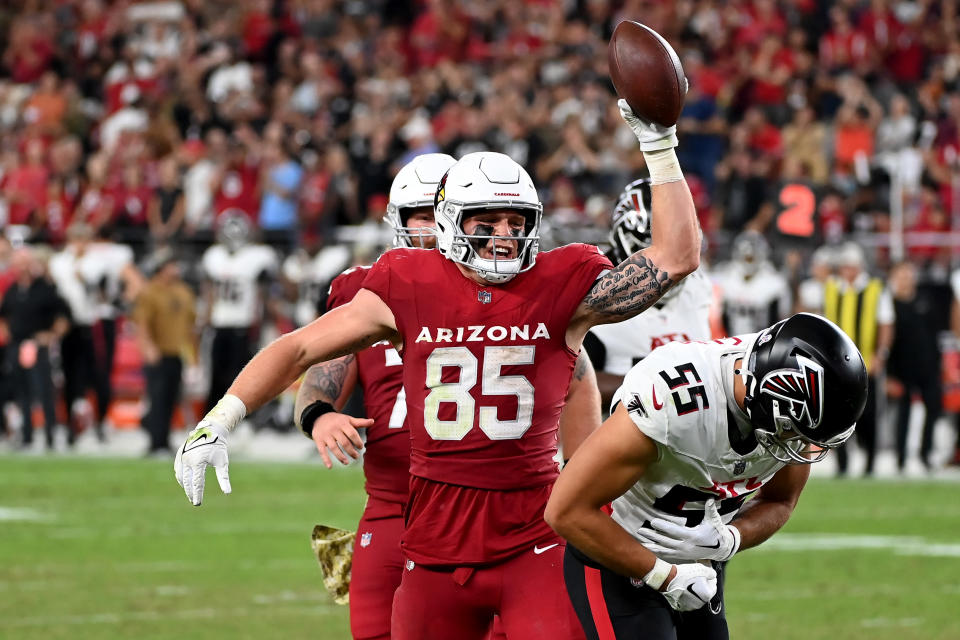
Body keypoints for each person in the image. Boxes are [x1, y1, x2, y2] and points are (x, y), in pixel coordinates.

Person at [175, 100, 701, 640]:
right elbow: (299, 349)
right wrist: (220, 420)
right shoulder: (406, 283)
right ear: (451, 222)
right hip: (429, 542)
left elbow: (676, 257)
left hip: (533, 537)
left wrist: (660, 147)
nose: (503, 236)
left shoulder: (560, 281)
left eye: (516, 222)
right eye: (486, 221)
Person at [295, 153, 600, 640]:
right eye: (419, 216)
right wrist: (317, 416)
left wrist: (585, 484)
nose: (433, 230)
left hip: (507, 512)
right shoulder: (372, 289)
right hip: (396, 506)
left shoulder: (517, 286)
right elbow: (317, 365)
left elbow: (575, 375)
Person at [545, 313, 868, 639]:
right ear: (767, 396)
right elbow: (565, 510)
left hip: (698, 566)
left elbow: (782, 500)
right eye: (795, 431)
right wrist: (663, 576)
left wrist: (730, 540)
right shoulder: (671, 402)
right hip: (615, 553)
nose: (802, 448)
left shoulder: (787, 405)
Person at [584, 178, 712, 407]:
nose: (679, 258)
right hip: (622, 434)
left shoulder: (697, 284)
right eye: (671, 248)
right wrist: (659, 385)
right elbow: (571, 387)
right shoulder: (594, 292)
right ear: (633, 243)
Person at [824, 241, 893, 476]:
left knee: (868, 414)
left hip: (865, 363)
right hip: (836, 364)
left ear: (860, 267)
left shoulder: (874, 288)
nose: (848, 271)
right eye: (844, 266)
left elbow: (885, 324)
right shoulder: (832, 288)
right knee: (837, 415)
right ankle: (842, 464)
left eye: (851, 266)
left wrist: (880, 355)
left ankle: (870, 464)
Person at [200, 211, 278, 413]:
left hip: (243, 323)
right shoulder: (214, 256)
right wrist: (205, 319)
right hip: (221, 322)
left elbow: (264, 293)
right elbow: (209, 291)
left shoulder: (256, 256)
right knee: (217, 375)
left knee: (241, 375)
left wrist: (260, 321)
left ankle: (242, 418)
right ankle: (214, 416)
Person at [0, 247, 70, 449]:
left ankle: (50, 435)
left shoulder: (45, 289)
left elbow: (63, 315)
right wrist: (7, 333)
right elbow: (4, 315)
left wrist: (52, 335)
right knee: (21, 392)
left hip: (38, 345)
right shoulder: (13, 290)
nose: (22, 268)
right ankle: (27, 436)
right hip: (17, 345)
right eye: (18, 264)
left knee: (44, 390)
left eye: (25, 263)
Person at [131, 250, 197, 456]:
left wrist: (194, 356)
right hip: (157, 353)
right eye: (171, 265)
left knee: (170, 399)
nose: (175, 269)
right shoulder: (150, 292)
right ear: (160, 268)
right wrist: (147, 347)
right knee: (157, 399)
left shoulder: (184, 292)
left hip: (176, 352)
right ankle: (155, 442)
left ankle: (164, 440)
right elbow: (142, 323)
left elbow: (190, 326)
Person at [887, 261, 941, 472]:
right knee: (904, 413)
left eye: (908, 275)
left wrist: (939, 364)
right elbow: (890, 342)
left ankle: (925, 453)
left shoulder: (926, 302)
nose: (905, 279)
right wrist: (891, 375)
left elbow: (934, 335)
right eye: (901, 276)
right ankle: (901, 457)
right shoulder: (890, 305)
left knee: (933, 409)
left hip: (928, 368)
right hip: (903, 369)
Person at [714, 230, 791, 335]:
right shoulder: (726, 277)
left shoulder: (775, 283)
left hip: (763, 343)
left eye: (752, 258)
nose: (749, 261)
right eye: (747, 257)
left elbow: (782, 317)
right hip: (728, 340)